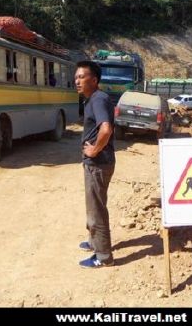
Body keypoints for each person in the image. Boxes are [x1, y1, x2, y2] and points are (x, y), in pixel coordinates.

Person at [75, 60, 115, 268]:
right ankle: (94, 241)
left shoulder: (98, 99)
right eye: (76, 77)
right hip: (97, 163)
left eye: (81, 77)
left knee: (96, 208)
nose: (77, 81)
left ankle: (103, 256)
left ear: (94, 79)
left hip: (98, 162)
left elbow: (106, 129)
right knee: (94, 205)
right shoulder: (92, 99)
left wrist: (94, 150)